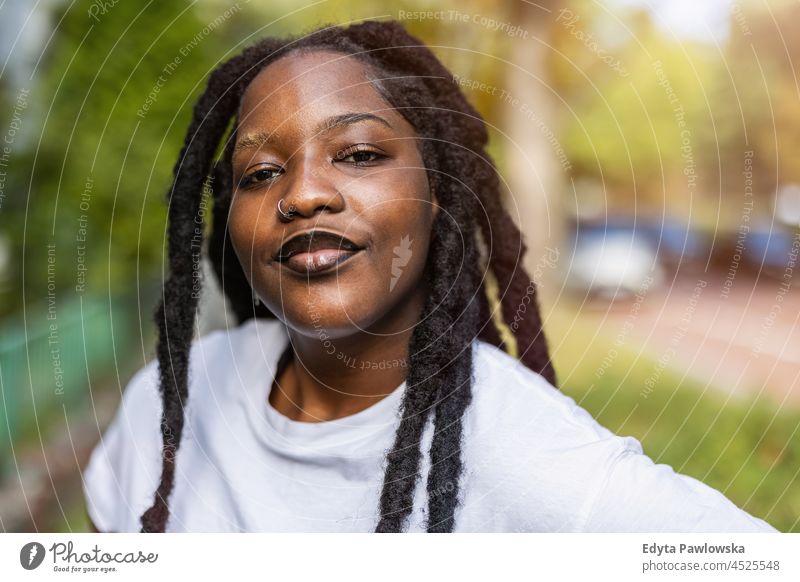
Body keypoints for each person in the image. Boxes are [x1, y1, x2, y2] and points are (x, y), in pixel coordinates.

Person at [82, 20, 777, 533]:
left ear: (436, 190)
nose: (303, 195)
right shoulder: (167, 407)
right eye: (259, 174)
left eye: (356, 154)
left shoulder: (529, 456)